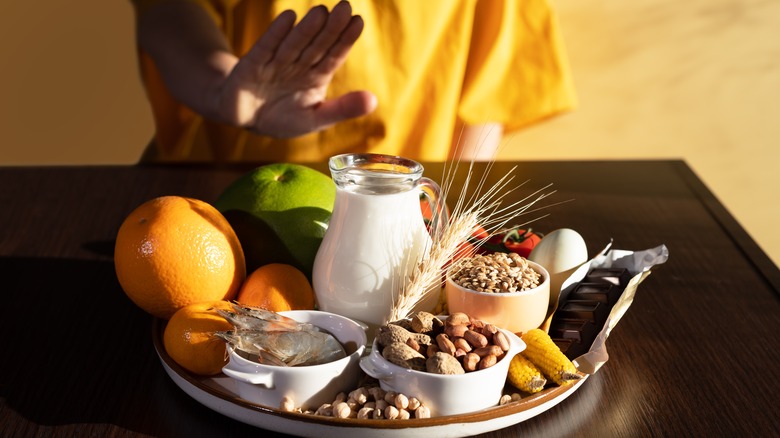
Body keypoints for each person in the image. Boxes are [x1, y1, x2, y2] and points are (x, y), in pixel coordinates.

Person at [130, 0, 576, 163]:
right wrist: (221, 90)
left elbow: (493, 82)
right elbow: (168, 11)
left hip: (406, 214)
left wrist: (453, 224)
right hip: (220, 196)